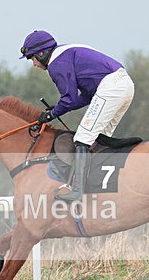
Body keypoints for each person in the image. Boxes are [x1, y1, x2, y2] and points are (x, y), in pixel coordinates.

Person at [20, 30, 135, 202]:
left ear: (41, 54)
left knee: (82, 138)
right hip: (125, 86)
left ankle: (77, 191)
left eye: (32, 58)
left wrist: (51, 114)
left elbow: (69, 99)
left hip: (111, 88)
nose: (34, 64)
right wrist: (56, 109)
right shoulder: (66, 52)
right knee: (100, 140)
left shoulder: (56, 64)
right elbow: (85, 97)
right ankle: (101, 187)